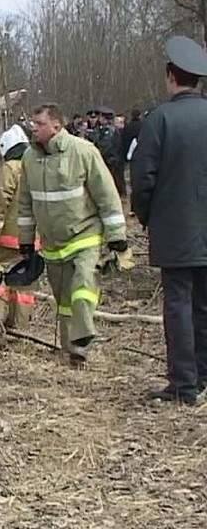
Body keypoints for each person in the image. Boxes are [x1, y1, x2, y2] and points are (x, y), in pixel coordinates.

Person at [17, 103, 126, 364]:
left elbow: (107, 195)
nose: (34, 128)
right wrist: (25, 241)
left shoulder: (83, 151)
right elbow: (25, 203)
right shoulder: (29, 159)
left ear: (57, 126)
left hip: (84, 236)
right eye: (33, 123)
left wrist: (116, 236)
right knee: (63, 300)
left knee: (83, 287)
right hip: (53, 243)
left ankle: (84, 332)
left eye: (39, 123)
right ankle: (74, 350)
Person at [131, 35, 207, 406]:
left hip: (176, 230)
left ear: (170, 76)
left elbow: (142, 178)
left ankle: (183, 383)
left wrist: (147, 216)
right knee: (203, 304)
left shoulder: (160, 119)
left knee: (178, 304)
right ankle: (202, 374)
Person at [0, 124, 36, 328]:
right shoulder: (37, 165)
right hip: (33, 238)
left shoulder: (11, 168)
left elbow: (0, 199)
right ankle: (20, 323)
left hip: (8, 236)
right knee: (24, 279)